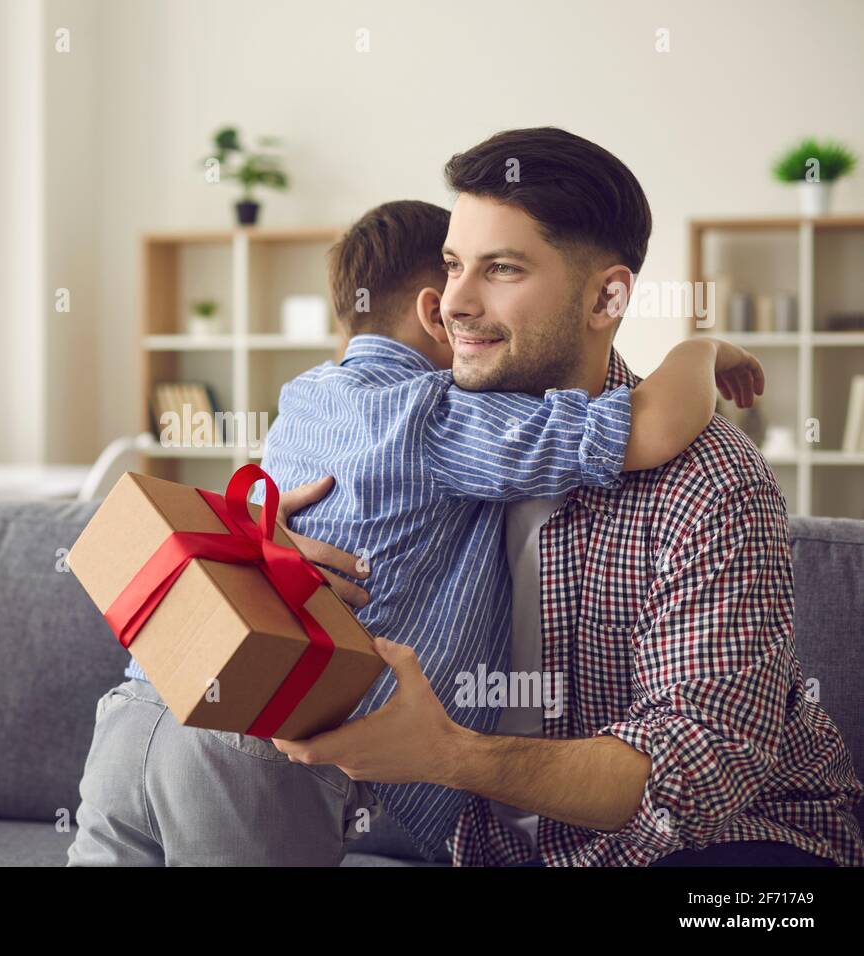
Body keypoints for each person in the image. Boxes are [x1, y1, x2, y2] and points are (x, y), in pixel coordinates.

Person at [66, 196, 764, 866]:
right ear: (437, 313)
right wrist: (702, 347)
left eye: (498, 270)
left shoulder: (303, 395)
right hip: (255, 742)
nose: (470, 303)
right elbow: (650, 426)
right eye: (458, 271)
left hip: (136, 711)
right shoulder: (433, 413)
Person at [271, 128, 864, 867]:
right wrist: (272, 557)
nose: (454, 303)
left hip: (729, 844)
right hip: (492, 847)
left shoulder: (710, 481)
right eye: (454, 266)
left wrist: (451, 754)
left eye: (502, 270)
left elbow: (694, 776)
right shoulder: (421, 436)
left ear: (607, 296)